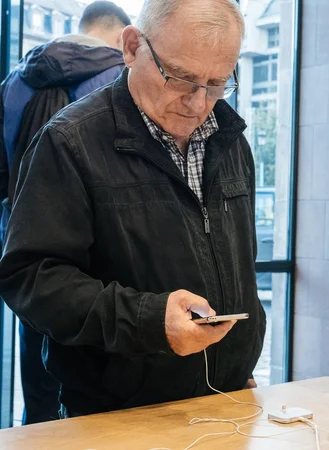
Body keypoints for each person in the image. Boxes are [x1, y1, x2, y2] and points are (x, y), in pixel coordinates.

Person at [0, 0, 265, 419]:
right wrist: (149, 320)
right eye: (180, 78)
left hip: (226, 399)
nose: (198, 104)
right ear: (131, 47)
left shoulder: (231, 141)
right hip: (115, 413)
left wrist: (237, 361)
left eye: (218, 82)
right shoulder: (71, 142)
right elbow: (31, 278)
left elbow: (238, 263)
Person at [0, 1, 130, 424]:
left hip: (24, 245)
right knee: (99, 387)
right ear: (118, 37)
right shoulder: (118, 80)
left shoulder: (15, 81)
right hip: (98, 251)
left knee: (35, 369)